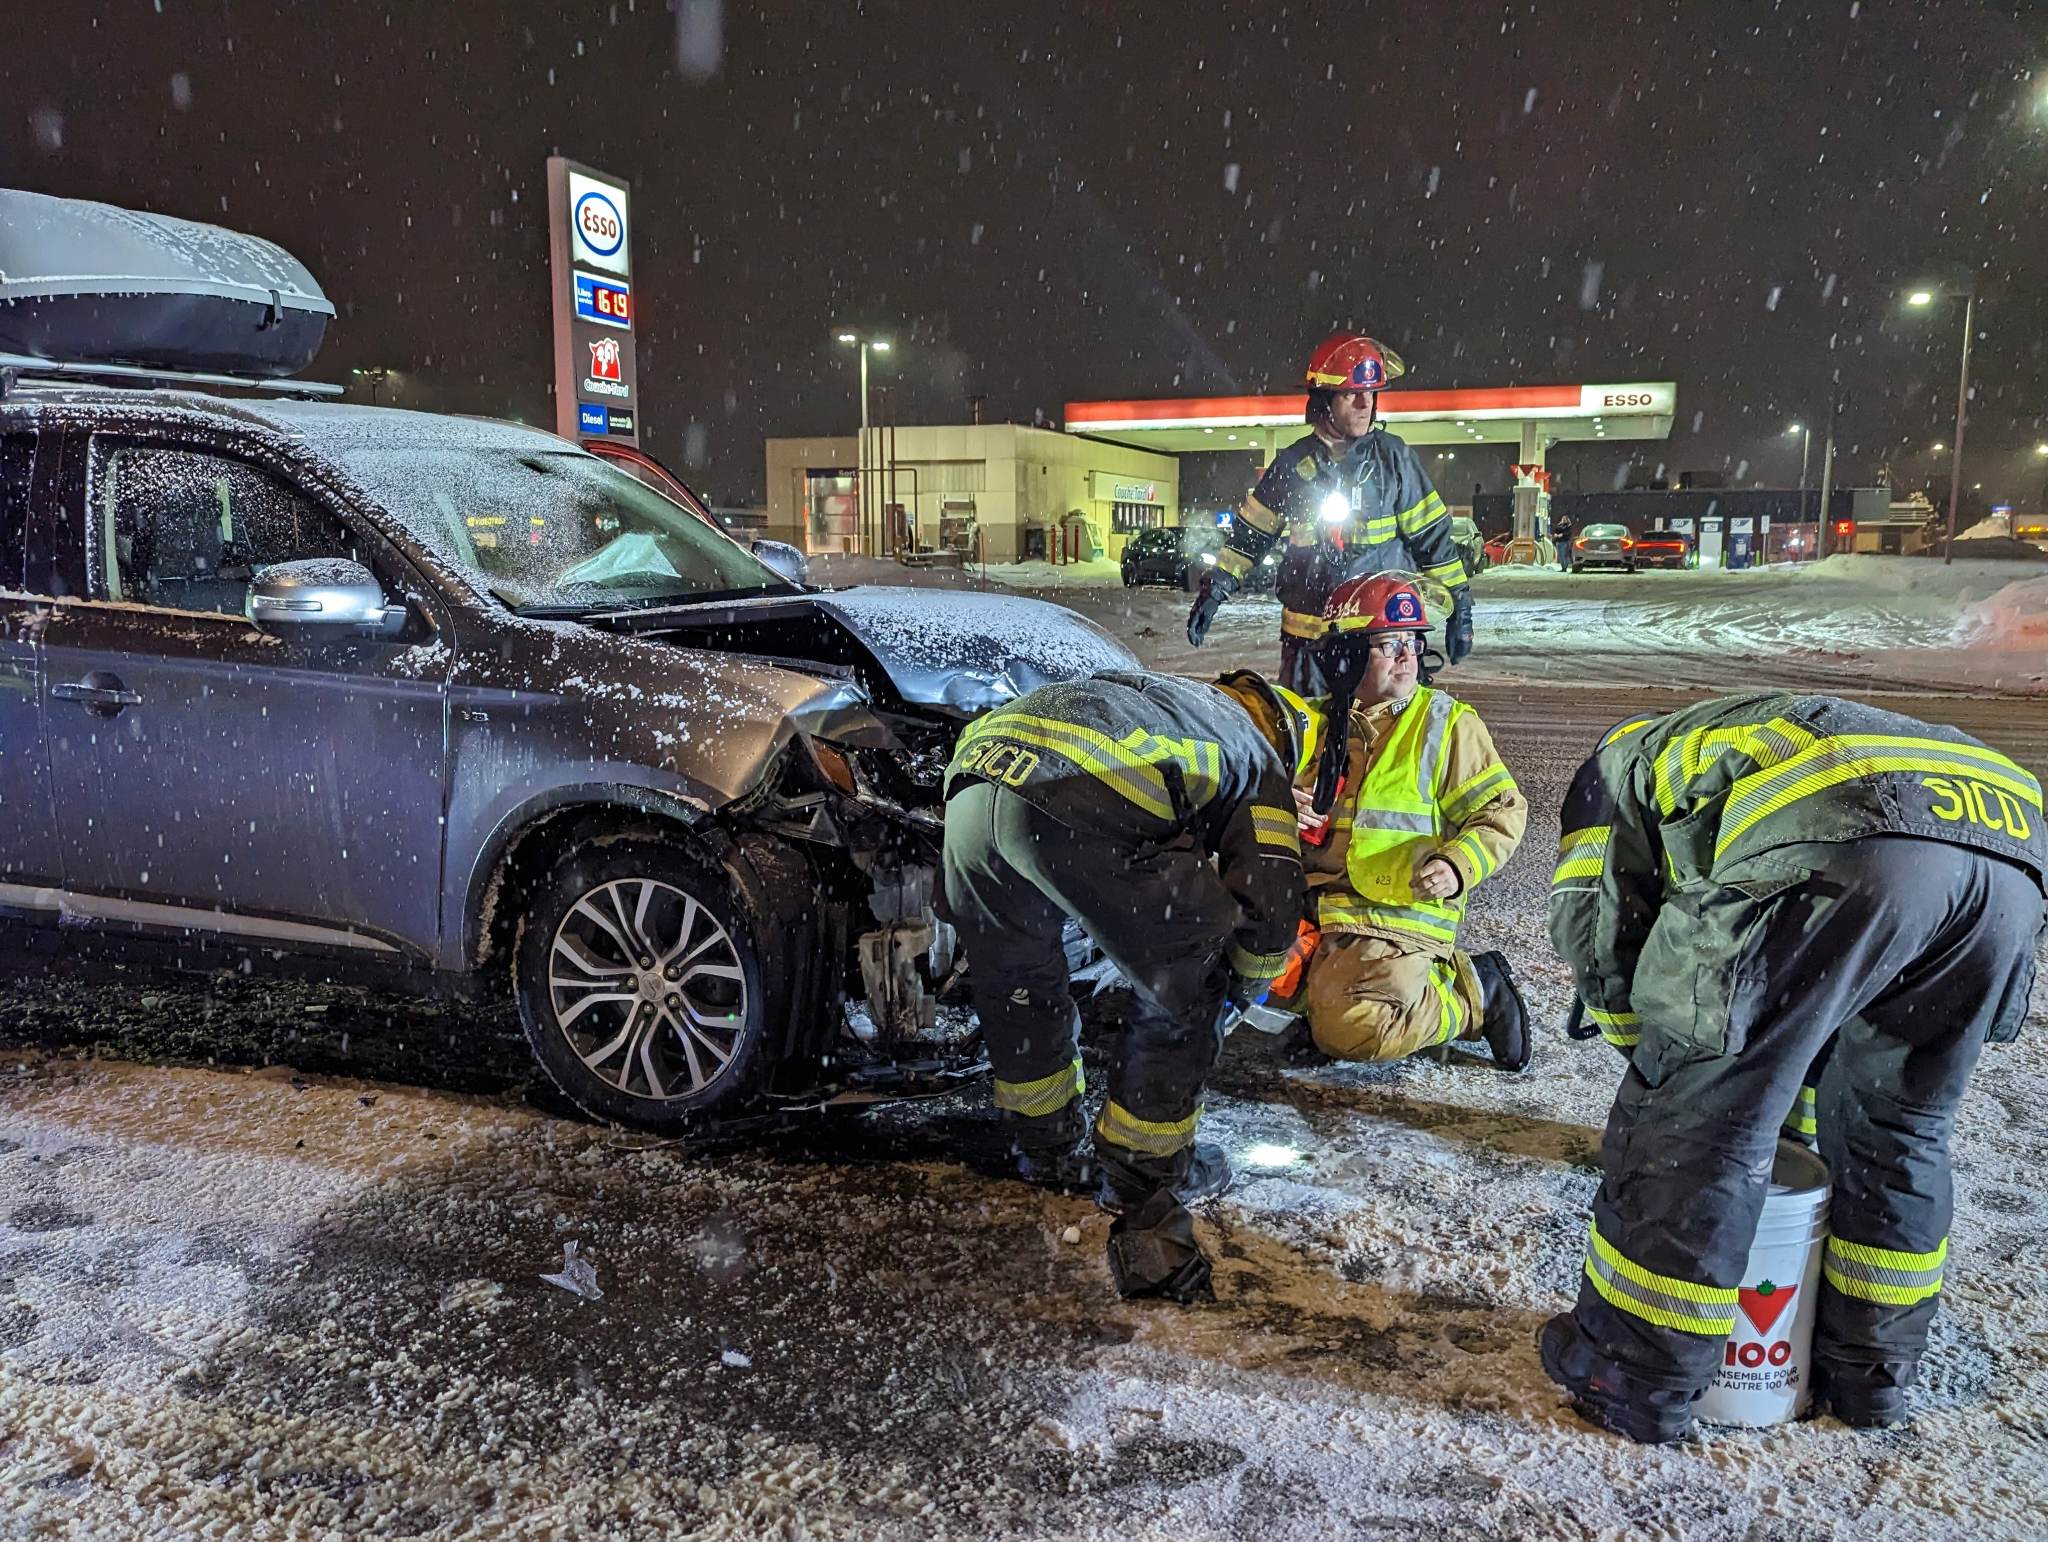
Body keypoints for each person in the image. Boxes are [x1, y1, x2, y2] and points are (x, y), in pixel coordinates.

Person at [1543, 693, 2046, 1442]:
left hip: (1856, 832)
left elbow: (1599, 933)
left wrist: (1668, 1066)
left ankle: (1633, 1375)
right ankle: (1868, 1375)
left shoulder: (1613, 772)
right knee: (1898, 1123)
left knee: (1699, 1119)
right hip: (2009, 858)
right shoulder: (1734, 736)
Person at [940, 668, 1316, 1300]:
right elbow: (1271, 907)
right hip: (1075, 800)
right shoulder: (1257, 753)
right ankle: (1143, 1170)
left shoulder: (1165, 699)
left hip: (974, 793)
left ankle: (1044, 1143)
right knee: (1192, 972)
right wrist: (1238, 988)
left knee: (1021, 981)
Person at [1283, 574, 1531, 1069]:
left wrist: (1459, 864)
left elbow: (1503, 812)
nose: (1407, 655)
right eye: (1389, 644)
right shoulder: (1312, 725)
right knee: (1237, 958)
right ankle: (1324, 1005)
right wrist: (1283, 806)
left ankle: (1475, 995)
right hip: (1322, 908)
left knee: (1355, 1029)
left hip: (1399, 917)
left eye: (1413, 642)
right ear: (1346, 655)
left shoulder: (1447, 725)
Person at [1184, 333, 1474, 695]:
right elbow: (1250, 538)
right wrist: (1216, 590)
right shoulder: (1291, 466)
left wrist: (1460, 603)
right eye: (1352, 393)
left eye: (1371, 393)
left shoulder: (1394, 461)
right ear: (1324, 400)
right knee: (1308, 742)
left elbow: (1433, 539)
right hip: (1309, 644)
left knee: (1376, 741)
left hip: (1378, 641)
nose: (1364, 402)